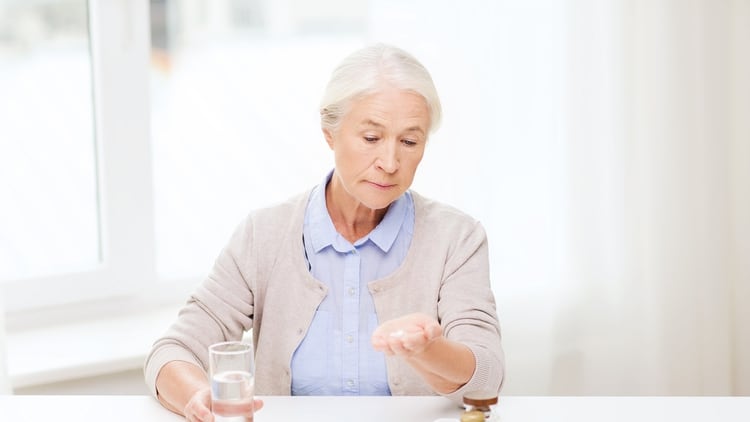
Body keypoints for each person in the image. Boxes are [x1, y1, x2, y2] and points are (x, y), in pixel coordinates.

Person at [144, 43, 504, 421]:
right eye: (371, 138)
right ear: (330, 133)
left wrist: (426, 351)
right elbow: (174, 349)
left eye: (410, 142)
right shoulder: (263, 235)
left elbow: (488, 376)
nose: (390, 162)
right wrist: (197, 397)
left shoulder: (458, 238)